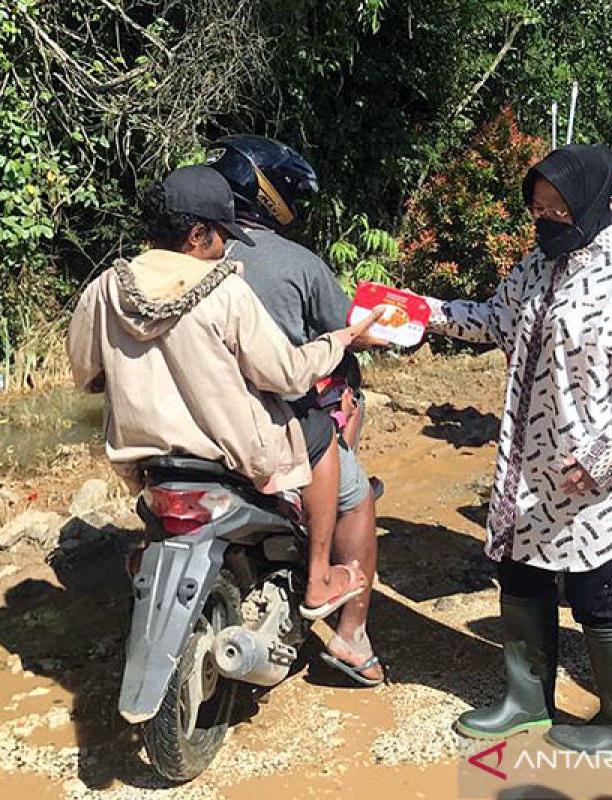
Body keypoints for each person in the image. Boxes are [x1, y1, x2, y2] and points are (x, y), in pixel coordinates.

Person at [428, 144, 612, 753]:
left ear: (594, 205)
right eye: (537, 211)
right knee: (521, 575)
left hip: (601, 469)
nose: (545, 222)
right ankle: (527, 701)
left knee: (599, 595)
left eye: (558, 211)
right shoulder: (533, 267)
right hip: (531, 464)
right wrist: (418, 313)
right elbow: (491, 320)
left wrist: (602, 459)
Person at [67, 165, 382, 624]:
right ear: (197, 235)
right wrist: (339, 341)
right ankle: (318, 576)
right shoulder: (224, 291)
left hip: (145, 454)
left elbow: (84, 373)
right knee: (320, 435)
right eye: (219, 236)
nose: (224, 246)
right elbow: (288, 375)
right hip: (230, 451)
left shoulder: (104, 290)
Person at [206, 134, 386, 685]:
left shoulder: (176, 256)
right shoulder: (297, 263)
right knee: (355, 495)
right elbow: (341, 335)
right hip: (266, 430)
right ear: (273, 197)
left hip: (183, 427)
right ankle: (350, 637)